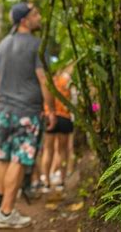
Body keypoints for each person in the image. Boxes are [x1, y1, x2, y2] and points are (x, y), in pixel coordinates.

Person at [0, 2, 56, 229]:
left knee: (3, 158)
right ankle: (6, 213)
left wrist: (2, 105)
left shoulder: (3, 44)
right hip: (27, 111)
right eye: (35, 14)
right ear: (24, 20)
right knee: (19, 160)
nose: (39, 17)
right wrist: (51, 109)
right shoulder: (37, 46)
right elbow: (44, 80)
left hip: (6, 111)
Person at [41, 64, 75, 192]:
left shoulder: (46, 82)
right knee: (62, 151)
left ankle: (46, 183)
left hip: (49, 116)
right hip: (64, 117)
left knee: (48, 150)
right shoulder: (66, 81)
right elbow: (73, 99)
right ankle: (61, 181)